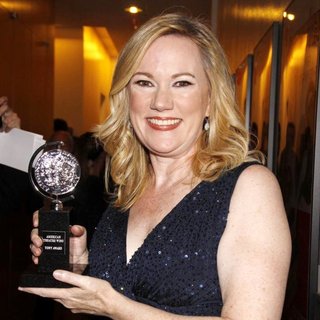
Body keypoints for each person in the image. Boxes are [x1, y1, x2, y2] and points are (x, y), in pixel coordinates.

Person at [20, 13, 291, 319]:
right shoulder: (128, 190)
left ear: (212, 99)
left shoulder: (250, 188)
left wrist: (117, 307)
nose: (161, 102)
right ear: (126, 97)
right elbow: (121, 292)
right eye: (145, 82)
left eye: (182, 83)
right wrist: (79, 265)